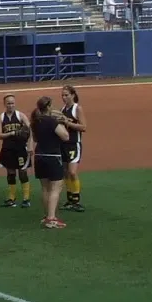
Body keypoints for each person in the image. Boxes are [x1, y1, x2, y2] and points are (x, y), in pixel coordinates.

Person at [31, 96, 72, 229]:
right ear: (48, 107)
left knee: (45, 188)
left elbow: (35, 138)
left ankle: (46, 215)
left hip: (39, 156)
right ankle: (51, 218)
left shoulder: (35, 122)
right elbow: (65, 136)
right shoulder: (51, 121)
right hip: (52, 156)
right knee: (56, 188)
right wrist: (63, 122)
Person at [0, 94, 32, 209]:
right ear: (4, 104)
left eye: (12, 103)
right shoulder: (1, 117)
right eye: (8, 103)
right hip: (8, 149)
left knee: (22, 173)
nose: (11, 105)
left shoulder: (20, 115)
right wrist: (12, 133)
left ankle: (26, 199)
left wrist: (30, 144)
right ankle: (11, 198)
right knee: (11, 173)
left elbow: (30, 129)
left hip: (21, 149)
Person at [60, 84, 86, 212]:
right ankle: (70, 199)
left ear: (73, 95)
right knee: (65, 172)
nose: (64, 97)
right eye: (62, 95)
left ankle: (76, 200)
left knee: (72, 172)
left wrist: (68, 123)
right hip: (64, 144)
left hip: (74, 144)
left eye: (66, 95)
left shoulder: (77, 108)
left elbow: (83, 127)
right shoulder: (63, 109)